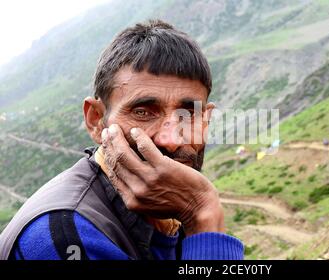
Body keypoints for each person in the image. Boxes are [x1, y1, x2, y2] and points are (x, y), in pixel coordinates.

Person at [0, 20, 244, 260]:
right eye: (143, 112)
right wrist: (202, 214)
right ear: (96, 119)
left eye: (188, 114)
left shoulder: (169, 213)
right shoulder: (65, 235)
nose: (170, 140)